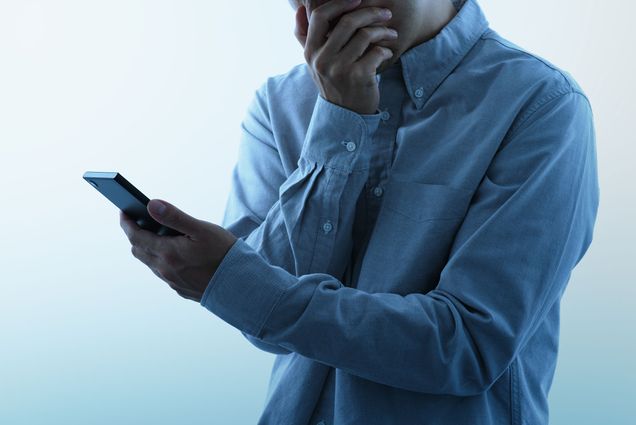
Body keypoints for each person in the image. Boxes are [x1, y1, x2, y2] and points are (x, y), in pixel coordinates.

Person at [119, 0, 600, 423]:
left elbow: (468, 347)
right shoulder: (279, 104)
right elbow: (268, 330)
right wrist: (337, 117)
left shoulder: (541, 104)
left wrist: (236, 282)